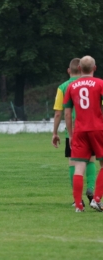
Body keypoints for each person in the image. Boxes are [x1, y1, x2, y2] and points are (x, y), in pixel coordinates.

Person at [52, 58, 96, 206]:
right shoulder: (94, 84)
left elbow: (59, 112)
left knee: (74, 163)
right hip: (92, 128)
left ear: (69, 70)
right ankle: (91, 189)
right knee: (90, 161)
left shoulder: (64, 87)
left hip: (74, 131)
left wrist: (55, 132)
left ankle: (78, 200)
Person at [63, 55, 103, 212]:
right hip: (98, 128)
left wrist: (71, 134)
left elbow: (67, 113)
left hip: (80, 130)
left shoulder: (71, 86)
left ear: (79, 69)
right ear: (95, 68)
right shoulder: (100, 84)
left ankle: (78, 205)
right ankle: (97, 198)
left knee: (79, 167)